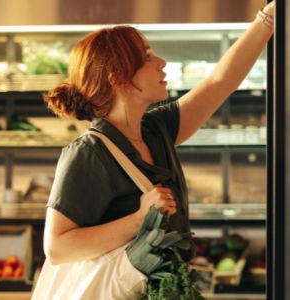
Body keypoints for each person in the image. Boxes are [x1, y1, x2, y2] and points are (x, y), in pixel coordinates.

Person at [39, 1, 274, 273]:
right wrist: (139, 219)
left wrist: (268, 17)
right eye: (148, 57)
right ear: (119, 80)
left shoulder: (156, 130)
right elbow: (57, 248)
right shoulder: (89, 153)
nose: (162, 63)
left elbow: (221, 81)